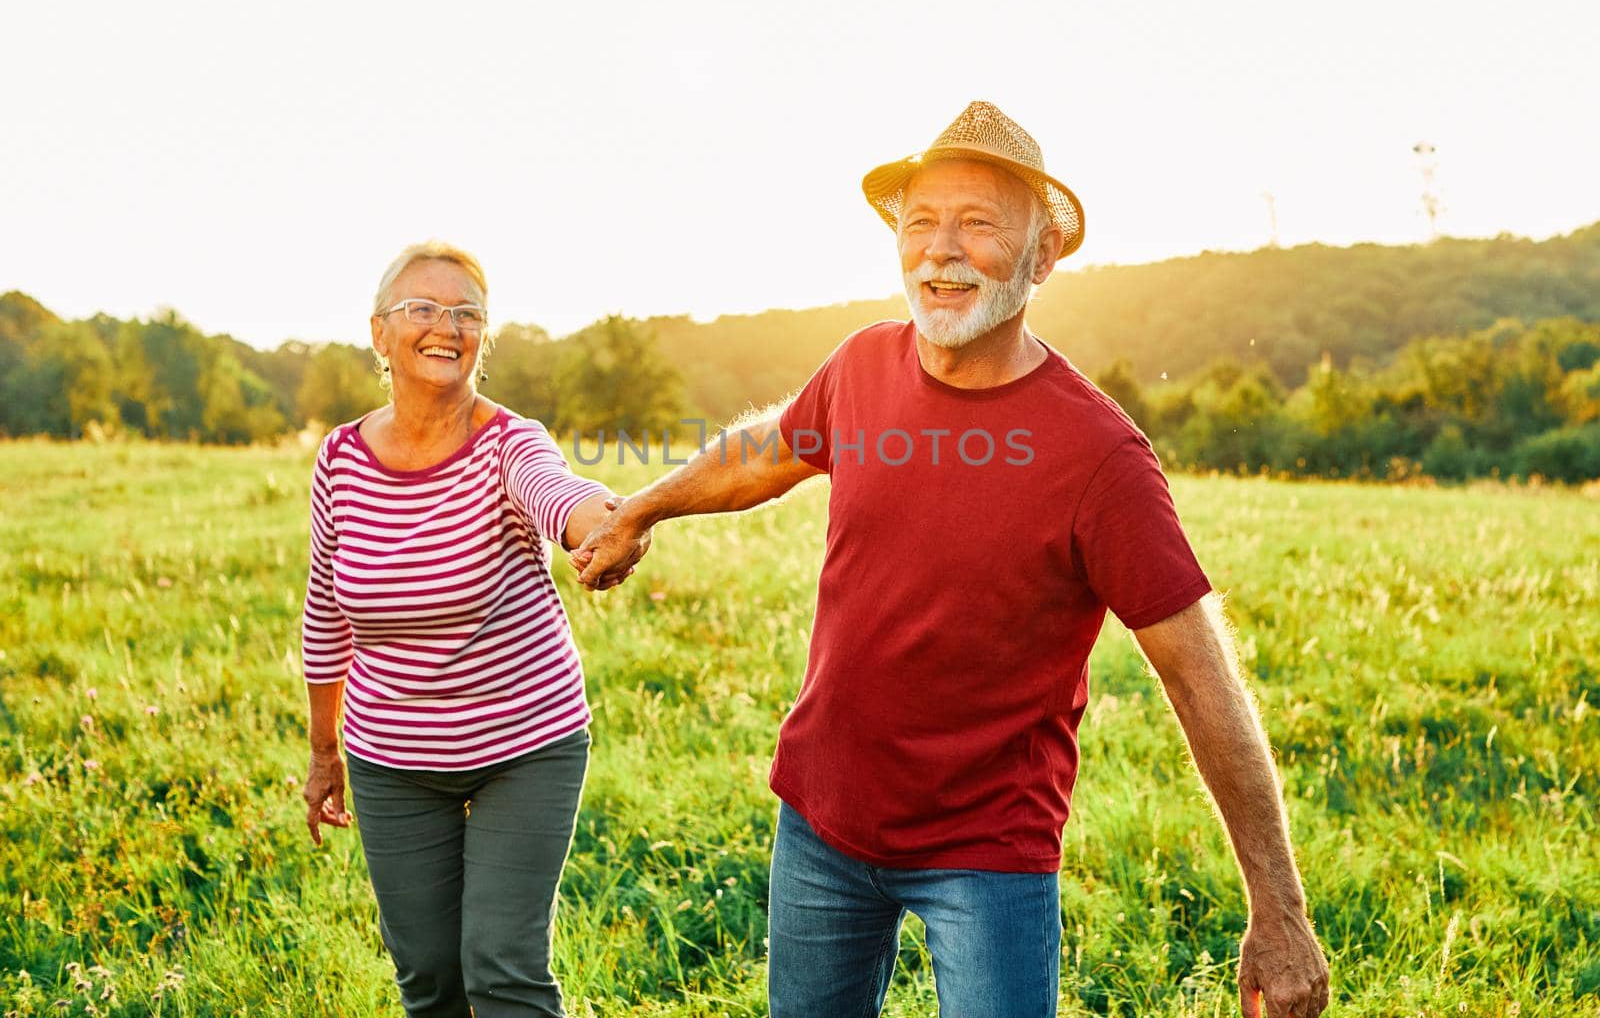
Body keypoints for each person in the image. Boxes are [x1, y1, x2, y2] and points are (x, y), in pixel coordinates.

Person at [573, 103, 1331, 1017]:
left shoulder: (1099, 457)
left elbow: (1200, 676)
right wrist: (644, 508)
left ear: (1043, 256)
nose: (942, 250)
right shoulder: (861, 366)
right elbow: (771, 449)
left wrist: (1279, 911)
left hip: (987, 857)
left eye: (978, 223)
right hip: (820, 821)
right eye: (922, 223)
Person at [298, 241, 647, 1018]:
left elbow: (559, 493)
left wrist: (607, 524)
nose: (445, 325)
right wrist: (326, 753)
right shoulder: (341, 460)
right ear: (379, 332)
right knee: (427, 977)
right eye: (422, 308)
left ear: (483, 339)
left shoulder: (509, 441)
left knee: (501, 969)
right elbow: (326, 611)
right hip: (393, 758)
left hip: (525, 745)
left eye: (467, 313)